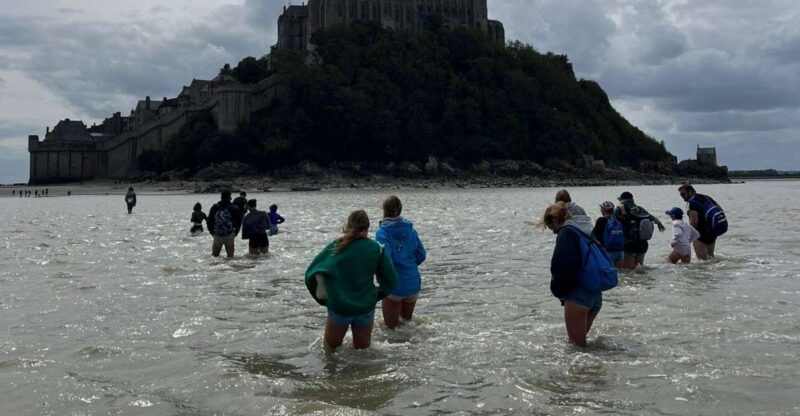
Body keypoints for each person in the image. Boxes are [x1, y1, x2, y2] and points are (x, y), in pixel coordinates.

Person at [304, 210, 398, 352]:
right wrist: (376, 295)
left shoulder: (336, 246)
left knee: (331, 350)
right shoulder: (376, 249)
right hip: (365, 307)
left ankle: (332, 373)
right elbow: (391, 280)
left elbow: (310, 274)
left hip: (339, 307)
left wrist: (324, 300)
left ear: (348, 225)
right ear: (367, 228)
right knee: (362, 353)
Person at [543, 202, 602, 347]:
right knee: (581, 346)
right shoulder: (587, 229)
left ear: (555, 219)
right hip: (595, 294)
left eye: (552, 228)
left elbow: (561, 267)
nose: (554, 232)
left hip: (577, 296)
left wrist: (559, 293)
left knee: (577, 349)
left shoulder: (566, 233)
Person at [375, 195, 427, 329]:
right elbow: (421, 255)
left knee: (391, 329)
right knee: (407, 325)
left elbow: (386, 259)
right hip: (413, 282)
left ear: (384, 210)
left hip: (395, 284)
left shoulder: (382, 232)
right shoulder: (410, 230)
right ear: (400, 210)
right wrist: (408, 265)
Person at [614, 191, 665, 269]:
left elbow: (611, 222)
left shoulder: (619, 208)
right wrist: (659, 224)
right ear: (632, 199)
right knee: (639, 270)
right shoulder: (640, 208)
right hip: (642, 244)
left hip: (629, 243)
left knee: (628, 272)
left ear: (621, 199)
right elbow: (653, 218)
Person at [678, 184, 726, 259]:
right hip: (712, 232)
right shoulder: (707, 197)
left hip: (700, 234)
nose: (682, 196)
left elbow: (694, 223)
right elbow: (720, 210)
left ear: (690, 192)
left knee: (703, 261)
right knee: (711, 258)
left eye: (683, 194)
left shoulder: (692, 203)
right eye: (680, 194)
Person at [207, 190, 243, 258]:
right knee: (230, 258)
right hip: (229, 234)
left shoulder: (215, 207)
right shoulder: (234, 208)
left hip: (217, 234)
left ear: (221, 197)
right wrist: (236, 232)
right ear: (230, 198)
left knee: (215, 257)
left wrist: (212, 232)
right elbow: (239, 221)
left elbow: (209, 221)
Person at [592, 201, 625, 268]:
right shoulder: (619, 219)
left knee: (608, 273)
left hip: (607, 251)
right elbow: (626, 221)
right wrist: (623, 211)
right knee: (619, 273)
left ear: (604, 210)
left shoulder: (601, 220)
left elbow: (594, 235)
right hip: (620, 251)